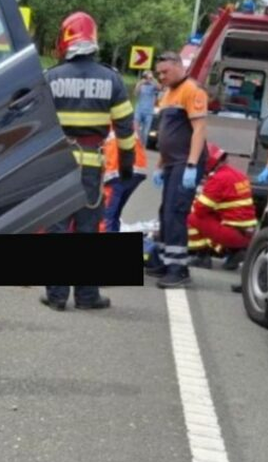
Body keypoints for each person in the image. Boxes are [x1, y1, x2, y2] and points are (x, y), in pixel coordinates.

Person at [39, 11, 136, 311]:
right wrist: (127, 164)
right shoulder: (111, 79)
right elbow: (125, 128)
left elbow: (38, 124)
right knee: (87, 230)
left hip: (57, 164)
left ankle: (57, 296)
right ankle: (86, 296)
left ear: (65, 40)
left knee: (56, 228)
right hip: (91, 167)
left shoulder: (50, 77)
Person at [148, 50, 208, 289]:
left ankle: (178, 268)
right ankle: (165, 260)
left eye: (165, 71)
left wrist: (192, 164)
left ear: (179, 66)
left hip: (185, 162)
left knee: (176, 212)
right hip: (172, 162)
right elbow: (166, 134)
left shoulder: (192, 90)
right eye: (159, 73)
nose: (162, 76)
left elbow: (199, 129)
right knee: (166, 211)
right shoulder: (168, 94)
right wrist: (160, 165)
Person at [187, 143, 257, 270]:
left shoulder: (218, 179)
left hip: (231, 233)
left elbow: (200, 209)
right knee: (210, 215)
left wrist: (196, 198)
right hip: (247, 233)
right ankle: (235, 252)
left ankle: (202, 255)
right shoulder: (238, 174)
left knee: (190, 213)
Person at [101, 127, 148, 233]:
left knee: (105, 216)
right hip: (136, 169)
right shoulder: (125, 120)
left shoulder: (103, 122)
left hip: (115, 171)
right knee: (114, 214)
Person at [134, 71, 159, 143]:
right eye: (146, 77)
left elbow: (160, 88)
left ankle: (142, 146)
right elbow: (136, 93)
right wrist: (140, 83)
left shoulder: (153, 85)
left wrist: (152, 79)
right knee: (136, 131)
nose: (147, 79)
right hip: (139, 111)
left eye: (149, 77)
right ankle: (136, 146)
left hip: (149, 112)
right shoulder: (140, 84)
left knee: (145, 133)